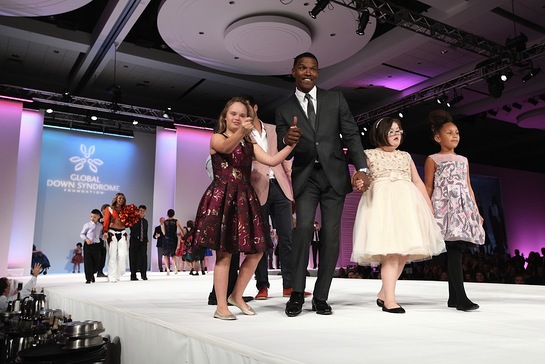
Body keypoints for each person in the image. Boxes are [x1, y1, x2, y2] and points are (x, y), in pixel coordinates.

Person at [275, 52, 371, 317]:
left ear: (318, 72)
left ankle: (321, 296)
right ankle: (296, 293)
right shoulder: (283, 109)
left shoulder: (335, 99)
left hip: (334, 176)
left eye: (313, 68)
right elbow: (285, 150)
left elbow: (351, 133)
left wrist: (361, 168)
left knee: (330, 235)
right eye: (302, 68)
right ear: (293, 71)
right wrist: (288, 140)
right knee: (303, 228)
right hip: (306, 177)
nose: (308, 72)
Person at [192, 96, 296, 320]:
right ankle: (221, 306)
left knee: (258, 250)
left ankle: (236, 295)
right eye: (233, 114)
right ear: (225, 117)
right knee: (225, 254)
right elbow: (228, 147)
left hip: (245, 198)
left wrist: (291, 144)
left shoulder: (249, 143)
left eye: (242, 114)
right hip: (223, 197)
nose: (237, 118)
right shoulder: (217, 138)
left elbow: (271, 160)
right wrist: (243, 132)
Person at [352, 116, 445, 313]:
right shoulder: (369, 154)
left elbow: (418, 182)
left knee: (404, 252)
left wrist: (429, 207)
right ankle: (390, 301)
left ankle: (383, 294)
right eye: (391, 131)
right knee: (391, 253)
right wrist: (358, 182)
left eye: (398, 130)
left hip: (407, 207)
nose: (396, 134)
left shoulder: (405, 156)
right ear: (380, 134)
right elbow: (358, 176)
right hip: (382, 206)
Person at [424, 110, 485, 311]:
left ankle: (454, 297)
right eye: (449, 133)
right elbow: (429, 187)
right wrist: (428, 209)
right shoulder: (432, 159)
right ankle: (461, 298)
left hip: (462, 209)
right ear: (437, 137)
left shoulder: (464, 160)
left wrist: (475, 212)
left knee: (455, 250)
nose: (455, 136)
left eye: (457, 132)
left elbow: (468, 186)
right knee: (453, 251)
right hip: (443, 209)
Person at [245, 95, 304, 301]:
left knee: (287, 238)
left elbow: (286, 160)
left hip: (280, 188)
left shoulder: (272, 128)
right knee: (261, 241)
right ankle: (262, 286)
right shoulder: (241, 134)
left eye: (247, 108)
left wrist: (293, 194)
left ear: (255, 107)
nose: (245, 113)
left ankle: (290, 285)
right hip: (256, 189)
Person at [102, 193, 132, 283]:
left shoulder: (126, 210)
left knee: (123, 255)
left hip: (122, 233)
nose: (121, 200)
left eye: (123, 198)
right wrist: (105, 232)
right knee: (112, 255)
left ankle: (118, 275)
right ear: (116, 199)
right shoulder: (110, 209)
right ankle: (112, 276)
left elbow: (128, 223)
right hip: (112, 233)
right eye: (119, 198)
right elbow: (106, 221)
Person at [80, 209, 103, 284]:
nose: (92, 218)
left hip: (96, 245)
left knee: (97, 261)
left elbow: (100, 235)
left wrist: (104, 236)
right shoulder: (87, 225)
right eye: (91, 216)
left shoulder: (100, 226)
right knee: (88, 262)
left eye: (94, 217)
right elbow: (82, 234)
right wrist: (86, 239)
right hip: (88, 245)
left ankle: (92, 273)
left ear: (99, 217)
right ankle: (88, 278)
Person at [129, 205, 149, 281]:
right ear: (138, 211)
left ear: (145, 212)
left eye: (143, 211)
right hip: (134, 240)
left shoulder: (145, 222)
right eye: (140, 210)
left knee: (144, 257)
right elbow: (132, 229)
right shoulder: (134, 220)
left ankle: (143, 275)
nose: (141, 212)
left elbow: (145, 232)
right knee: (133, 257)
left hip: (143, 241)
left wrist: (146, 240)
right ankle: (133, 275)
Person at [163, 209, 183, 275]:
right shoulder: (176, 221)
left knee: (165, 254)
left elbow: (164, 232)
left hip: (166, 238)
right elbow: (180, 228)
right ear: (173, 214)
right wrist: (183, 235)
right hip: (174, 238)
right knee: (173, 254)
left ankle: (168, 269)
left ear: (167, 214)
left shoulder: (165, 222)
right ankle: (175, 266)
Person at [97, 204, 110, 278]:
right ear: (103, 210)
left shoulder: (109, 218)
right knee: (99, 256)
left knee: (103, 255)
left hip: (105, 240)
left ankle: (100, 271)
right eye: (107, 209)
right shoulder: (99, 217)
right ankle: (98, 271)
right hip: (99, 239)